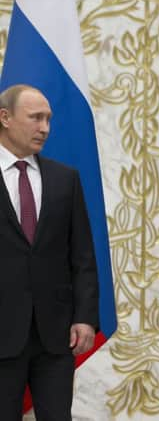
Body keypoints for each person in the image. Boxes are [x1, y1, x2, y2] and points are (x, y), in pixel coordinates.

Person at [0, 84, 98, 420]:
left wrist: (85, 317)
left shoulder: (64, 179)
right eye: (36, 118)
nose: (45, 128)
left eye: (48, 119)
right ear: (5, 118)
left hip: (55, 337)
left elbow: (83, 256)